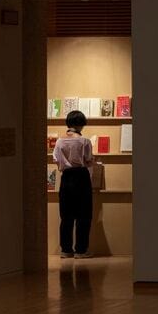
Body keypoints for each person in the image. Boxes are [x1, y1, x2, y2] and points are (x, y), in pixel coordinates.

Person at [51, 110, 98, 259]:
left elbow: (56, 160)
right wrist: (92, 160)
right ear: (80, 124)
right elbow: (88, 160)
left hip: (66, 177)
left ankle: (66, 250)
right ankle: (81, 250)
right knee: (84, 215)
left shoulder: (59, 141)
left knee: (66, 215)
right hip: (82, 177)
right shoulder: (85, 141)